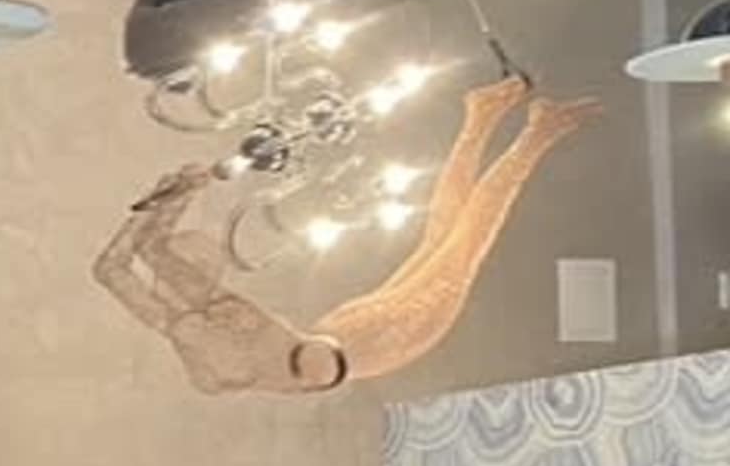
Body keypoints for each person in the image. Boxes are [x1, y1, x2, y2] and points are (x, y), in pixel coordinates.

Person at [94, 73, 596, 394]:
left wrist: (173, 194)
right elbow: (112, 268)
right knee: (452, 247)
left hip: (350, 343)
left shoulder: (190, 308)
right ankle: (506, 122)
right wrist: (167, 199)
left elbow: (130, 259)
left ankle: (520, 126)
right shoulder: (196, 329)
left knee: (454, 246)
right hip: (353, 349)